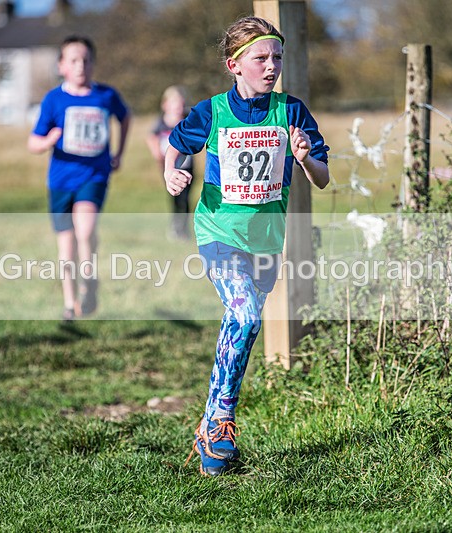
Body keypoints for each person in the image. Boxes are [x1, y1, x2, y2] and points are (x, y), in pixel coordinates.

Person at [166, 16, 329, 476]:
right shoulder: (212, 112)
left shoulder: (291, 111)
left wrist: (305, 158)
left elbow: (322, 177)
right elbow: (175, 145)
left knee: (244, 326)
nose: (271, 66)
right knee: (244, 316)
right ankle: (221, 419)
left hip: (266, 243)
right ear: (234, 65)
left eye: (277, 57)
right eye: (261, 58)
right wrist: (171, 172)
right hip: (218, 233)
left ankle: (210, 426)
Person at [28, 35, 131, 322]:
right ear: (61, 66)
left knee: (85, 231)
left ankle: (89, 283)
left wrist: (119, 153)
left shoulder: (106, 96)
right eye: (73, 60)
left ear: (94, 64)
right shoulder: (54, 99)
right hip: (60, 181)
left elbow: (125, 117)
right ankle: (69, 304)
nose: (80, 66)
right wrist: (49, 140)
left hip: (94, 175)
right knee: (67, 246)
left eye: (86, 60)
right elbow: (33, 143)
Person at [146, 85, 194, 240]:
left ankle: (184, 228)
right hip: (169, 168)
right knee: (174, 198)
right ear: (165, 105)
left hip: (186, 166)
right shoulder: (161, 122)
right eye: (174, 103)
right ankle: (175, 227)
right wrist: (157, 154)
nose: (178, 107)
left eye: (180, 103)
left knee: (185, 198)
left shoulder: (187, 120)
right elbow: (151, 137)